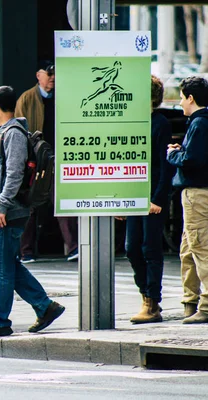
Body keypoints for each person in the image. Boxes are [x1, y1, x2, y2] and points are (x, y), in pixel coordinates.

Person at [0, 86, 65, 339]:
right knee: (8, 265)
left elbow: (14, 174)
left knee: (0, 270)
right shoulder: (3, 132)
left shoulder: (12, 133)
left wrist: (0, 207)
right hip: (1, 212)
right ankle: (45, 307)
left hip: (8, 212)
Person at [15, 60, 78, 263]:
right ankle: (26, 251)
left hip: (60, 157)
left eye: (55, 74)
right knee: (30, 204)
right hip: (35, 159)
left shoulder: (64, 97)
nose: (52, 78)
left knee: (63, 202)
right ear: (38, 75)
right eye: (48, 74)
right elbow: (19, 130)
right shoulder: (26, 99)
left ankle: (74, 247)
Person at [125, 76, 175, 324]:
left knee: (150, 248)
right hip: (134, 194)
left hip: (152, 196)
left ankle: (152, 302)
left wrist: (157, 198)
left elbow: (165, 167)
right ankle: (146, 294)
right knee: (131, 247)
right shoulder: (132, 122)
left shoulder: (160, 123)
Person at [167, 76, 208, 324]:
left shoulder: (199, 123)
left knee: (199, 249)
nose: (180, 102)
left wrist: (173, 154)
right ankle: (190, 301)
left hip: (197, 194)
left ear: (190, 98)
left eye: (182, 97)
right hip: (197, 194)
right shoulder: (201, 122)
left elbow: (192, 160)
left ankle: (204, 305)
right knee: (188, 249)